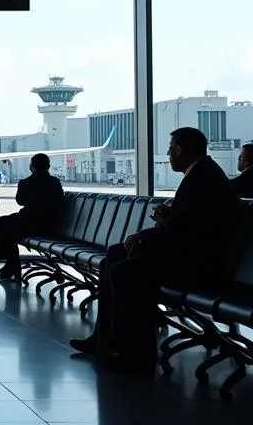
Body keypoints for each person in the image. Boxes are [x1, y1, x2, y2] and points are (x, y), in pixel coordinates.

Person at [71, 127, 239, 373]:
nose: (169, 155)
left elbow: (189, 230)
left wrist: (143, 236)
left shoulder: (204, 179)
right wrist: (168, 216)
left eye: (171, 150)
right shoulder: (203, 174)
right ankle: (104, 339)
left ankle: (137, 352)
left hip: (199, 264)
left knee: (124, 271)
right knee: (114, 258)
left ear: (180, 150)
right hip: (189, 254)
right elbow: (192, 221)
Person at [0, 153, 65, 281]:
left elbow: (19, 201)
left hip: (29, 224)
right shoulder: (55, 182)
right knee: (9, 228)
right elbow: (61, 201)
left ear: (33, 167)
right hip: (50, 225)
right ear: (48, 166)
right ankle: (11, 265)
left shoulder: (26, 183)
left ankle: (8, 262)